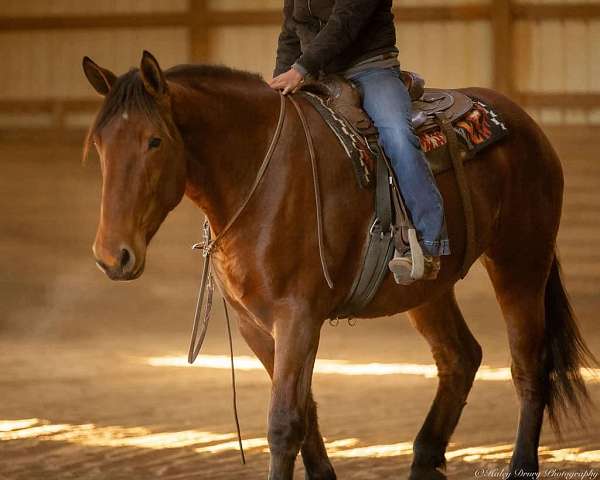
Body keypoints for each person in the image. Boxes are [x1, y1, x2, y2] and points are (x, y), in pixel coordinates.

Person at [268, 0, 449, 284]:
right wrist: (280, 78)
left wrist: (301, 68)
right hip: (316, 75)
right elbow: (291, 31)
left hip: (371, 70)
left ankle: (429, 242)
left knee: (398, 137)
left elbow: (345, 21)